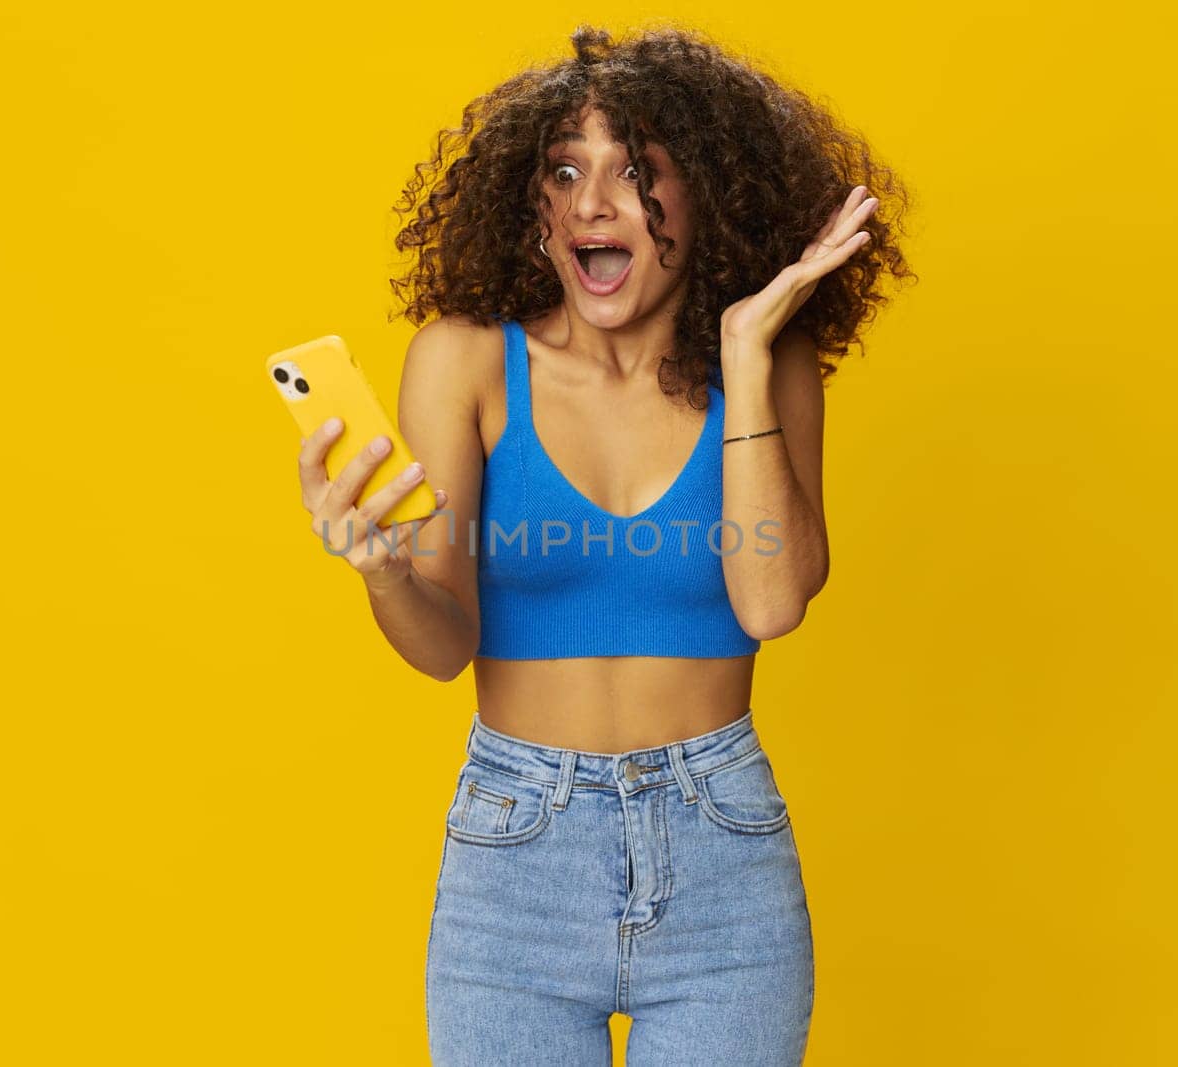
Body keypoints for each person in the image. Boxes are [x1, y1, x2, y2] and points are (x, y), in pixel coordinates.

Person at [295, 23, 913, 1066]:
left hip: (723, 853)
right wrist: (381, 566)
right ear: (529, 206)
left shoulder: (768, 367)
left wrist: (745, 355)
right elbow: (443, 644)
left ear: (707, 200)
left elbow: (770, 602)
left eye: (635, 175)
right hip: (516, 856)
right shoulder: (465, 363)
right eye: (565, 172)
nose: (591, 203)